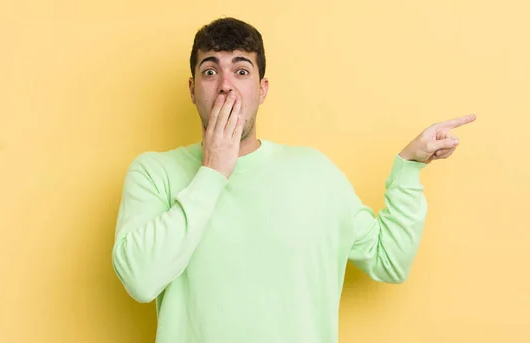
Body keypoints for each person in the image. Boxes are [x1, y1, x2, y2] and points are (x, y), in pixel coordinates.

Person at [111, 17, 476, 343]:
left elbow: (389, 261)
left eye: (241, 71)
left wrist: (409, 167)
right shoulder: (153, 173)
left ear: (263, 89)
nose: (225, 85)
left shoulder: (314, 172)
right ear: (192, 89)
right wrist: (213, 171)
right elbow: (140, 281)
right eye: (210, 71)